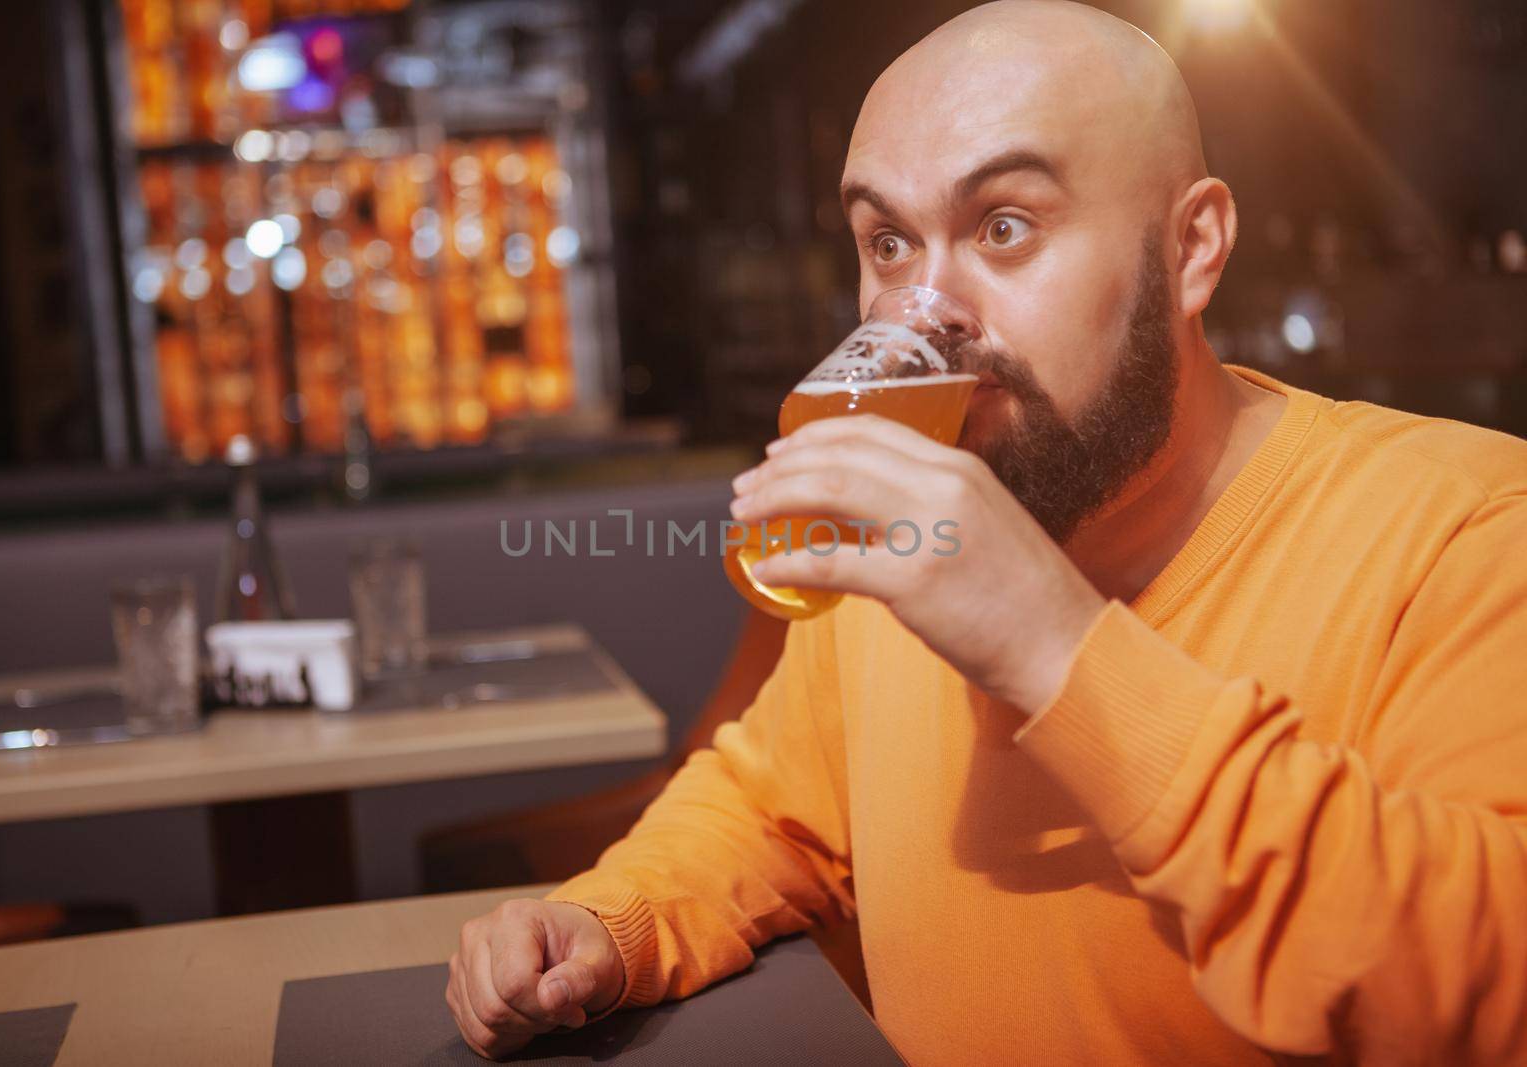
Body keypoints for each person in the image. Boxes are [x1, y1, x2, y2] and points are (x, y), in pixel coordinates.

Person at [445, 2, 1527, 1062]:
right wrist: (606, 922)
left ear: (1190, 246)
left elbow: (1484, 993)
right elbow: (772, 810)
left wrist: (1050, 643)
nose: (928, 306)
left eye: (1003, 226)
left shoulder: (1464, 529)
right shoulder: (905, 541)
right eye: (887, 240)